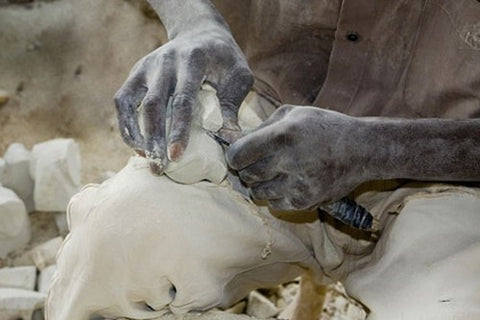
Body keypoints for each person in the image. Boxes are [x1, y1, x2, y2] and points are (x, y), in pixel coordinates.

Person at [113, 1, 480, 319]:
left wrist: (375, 150)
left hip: (445, 175)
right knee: (116, 250)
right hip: (258, 118)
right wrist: (193, 21)